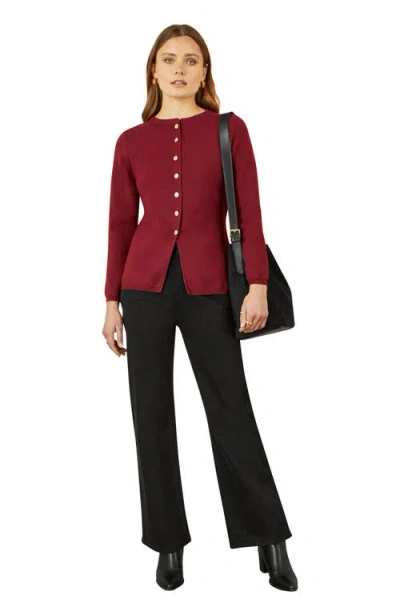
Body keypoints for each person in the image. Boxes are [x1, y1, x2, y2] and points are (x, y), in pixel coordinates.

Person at [102, 24, 298, 592]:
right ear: (153, 70)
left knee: (231, 409)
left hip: (211, 286)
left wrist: (256, 283)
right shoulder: (130, 141)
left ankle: (270, 538)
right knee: (150, 414)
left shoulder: (228, 129)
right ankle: (168, 544)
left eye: (191, 60)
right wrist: (111, 300)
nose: (180, 69)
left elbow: (250, 211)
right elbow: (119, 225)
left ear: (205, 71)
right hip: (143, 289)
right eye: (169, 60)